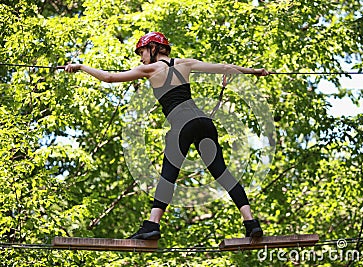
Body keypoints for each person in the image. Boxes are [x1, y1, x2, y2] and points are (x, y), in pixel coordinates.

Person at [65, 32, 269, 240]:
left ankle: (152, 224)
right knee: (222, 173)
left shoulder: (150, 69)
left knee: (168, 175)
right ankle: (251, 222)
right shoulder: (186, 64)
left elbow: (109, 78)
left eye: (142, 51)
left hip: (181, 125)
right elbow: (225, 68)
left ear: (153, 48)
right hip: (204, 122)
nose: (141, 57)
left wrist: (81, 67)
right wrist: (255, 72)